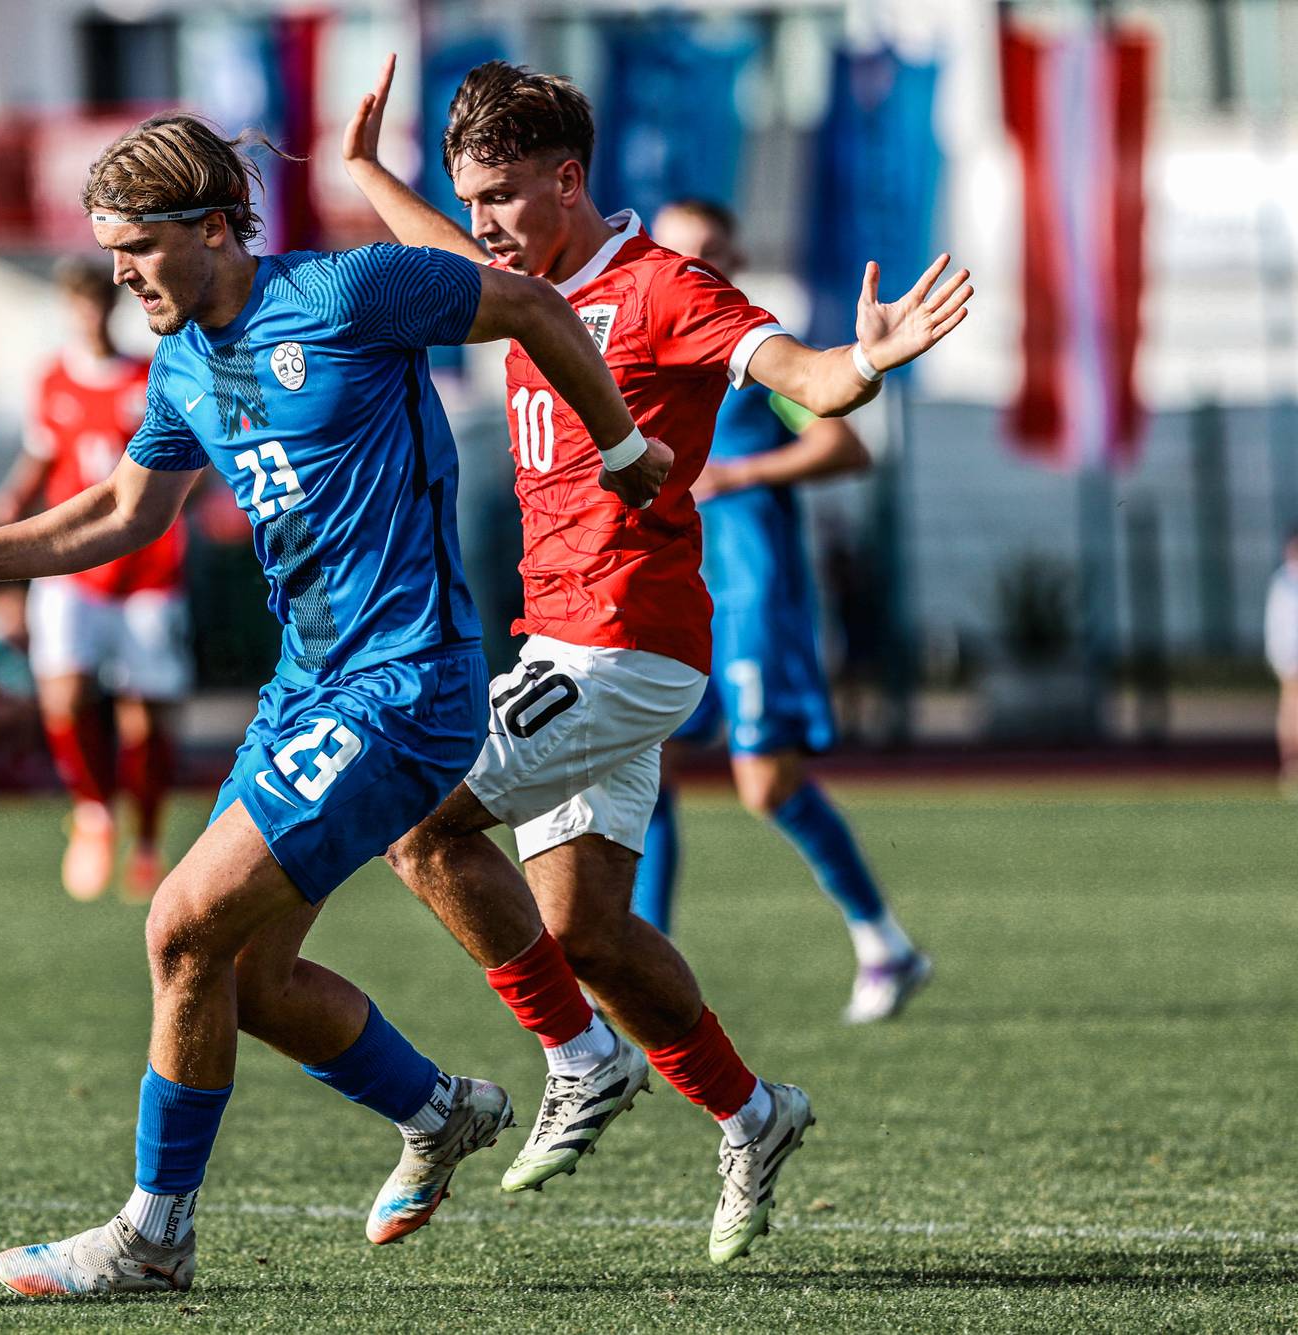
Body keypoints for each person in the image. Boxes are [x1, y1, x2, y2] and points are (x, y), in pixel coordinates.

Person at [0, 111, 671, 1298]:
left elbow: (538, 309)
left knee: (179, 928)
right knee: (243, 981)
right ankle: (437, 1111)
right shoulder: (182, 362)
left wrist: (619, 451)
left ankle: (153, 1237)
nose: (120, 273)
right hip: (305, 692)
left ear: (211, 228)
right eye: (108, 253)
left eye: (137, 247)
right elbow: (118, 516)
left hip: (405, 685)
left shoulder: (352, 295)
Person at [342, 56, 970, 1262]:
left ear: (569, 180)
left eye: (506, 198)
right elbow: (440, 250)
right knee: (587, 934)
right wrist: (369, 171)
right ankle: (751, 1110)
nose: (485, 225)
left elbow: (805, 379)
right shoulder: (512, 276)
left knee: (415, 820)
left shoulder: (664, 290)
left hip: (624, 642)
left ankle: (578, 1060)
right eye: (472, 200)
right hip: (571, 644)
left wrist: (867, 364)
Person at [637, 199, 932, 1025]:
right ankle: (648, 968)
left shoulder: (751, 352)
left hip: (750, 593)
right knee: (646, 763)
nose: (696, 262)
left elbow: (846, 443)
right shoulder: (647, 346)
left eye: (712, 250)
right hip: (675, 594)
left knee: (765, 784)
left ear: (734, 256)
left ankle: (886, 943)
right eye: (680, 248)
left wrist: (737, 476)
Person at [0, 259, 190, 901]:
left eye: (96, 303)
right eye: (76, 305)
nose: (88, 315)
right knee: (64, 697)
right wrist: (14, 495)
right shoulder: (51, 379)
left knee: (145, 723)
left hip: (148, 569)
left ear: (111, 306)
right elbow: (44, 452)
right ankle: (95, 812)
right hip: (71, 565)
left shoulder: (148, 373)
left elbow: (184, 455)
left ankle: (148, 840)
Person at [1267, 528, 1298, 798]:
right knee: (1292, 713)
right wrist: (1285, 660)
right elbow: (1279, 627)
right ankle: (1291, 766)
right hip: (1292, 661)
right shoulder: (1283, 583)